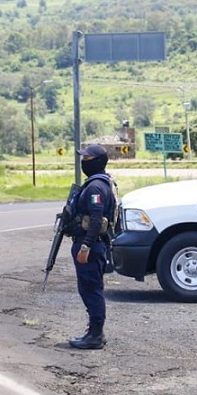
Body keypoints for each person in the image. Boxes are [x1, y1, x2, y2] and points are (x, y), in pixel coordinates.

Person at [68, 144, 117, 350]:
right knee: (89, 289)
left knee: (91, 290)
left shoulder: (96, 187)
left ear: (97, 161)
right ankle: (95, 332)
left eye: (87, 158)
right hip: (93, 244)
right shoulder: (99, 183)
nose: (83, 161)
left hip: (91, 245)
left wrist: (85, 246)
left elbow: (96, 220)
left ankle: (95, 335)